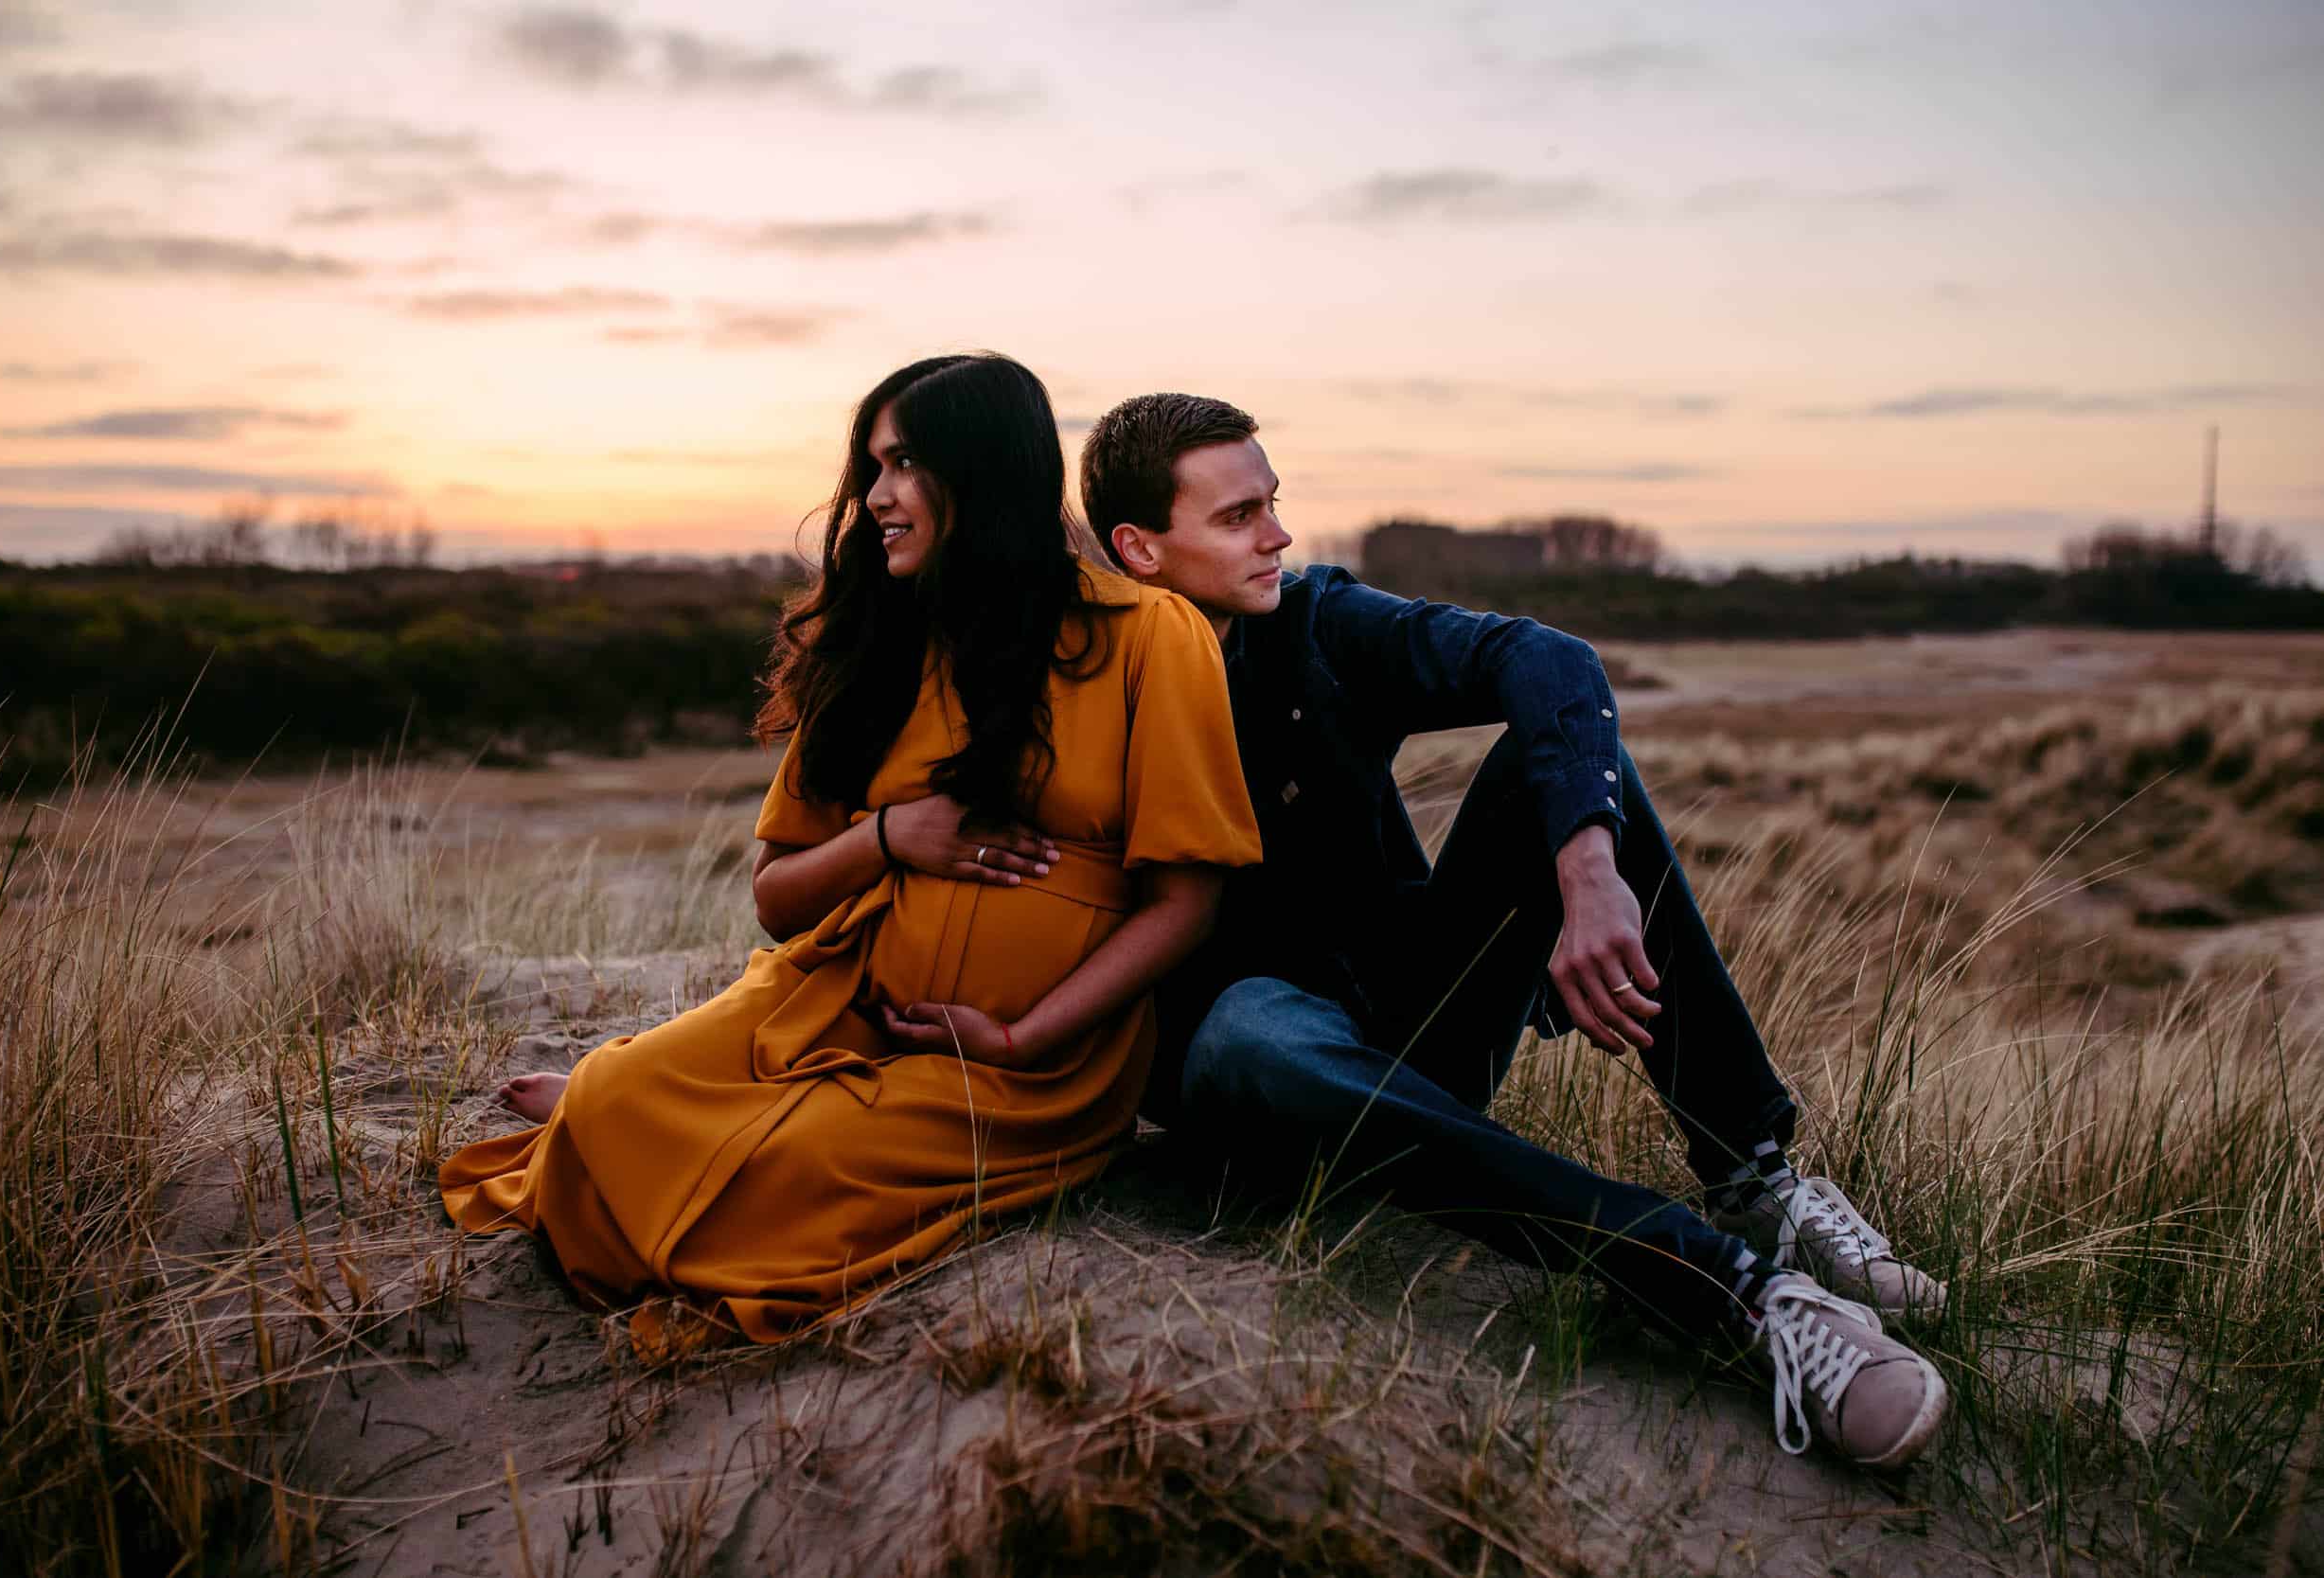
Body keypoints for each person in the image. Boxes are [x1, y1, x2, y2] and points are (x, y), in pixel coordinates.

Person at [1078, 392, 1950, 1469]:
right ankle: (1738, 1289)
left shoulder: (1310, 622)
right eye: (1238, 516)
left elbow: (1547, 658)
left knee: (1580, 779)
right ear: (1139, 546)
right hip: (1264, 1107)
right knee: (1251, 1025)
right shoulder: (1084, 689)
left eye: (1275, 502)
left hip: (1416, 1032)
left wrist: (1588, 871)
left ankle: (1754, 1176)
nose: (1278, 533)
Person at [441, 355, 1261, 1350]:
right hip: (828, 996)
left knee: (789, 1170)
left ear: (987, 468)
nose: (876, 496)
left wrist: (1022, 1036)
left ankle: (676, 1119)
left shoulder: (1149, 635)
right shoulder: (873, 645)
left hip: (1026, 1070)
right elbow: (776, 900)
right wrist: (891, 834)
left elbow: (1186, 901)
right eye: (871, 465)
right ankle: (627, 1100)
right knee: (615, 1100)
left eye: (905, 463)